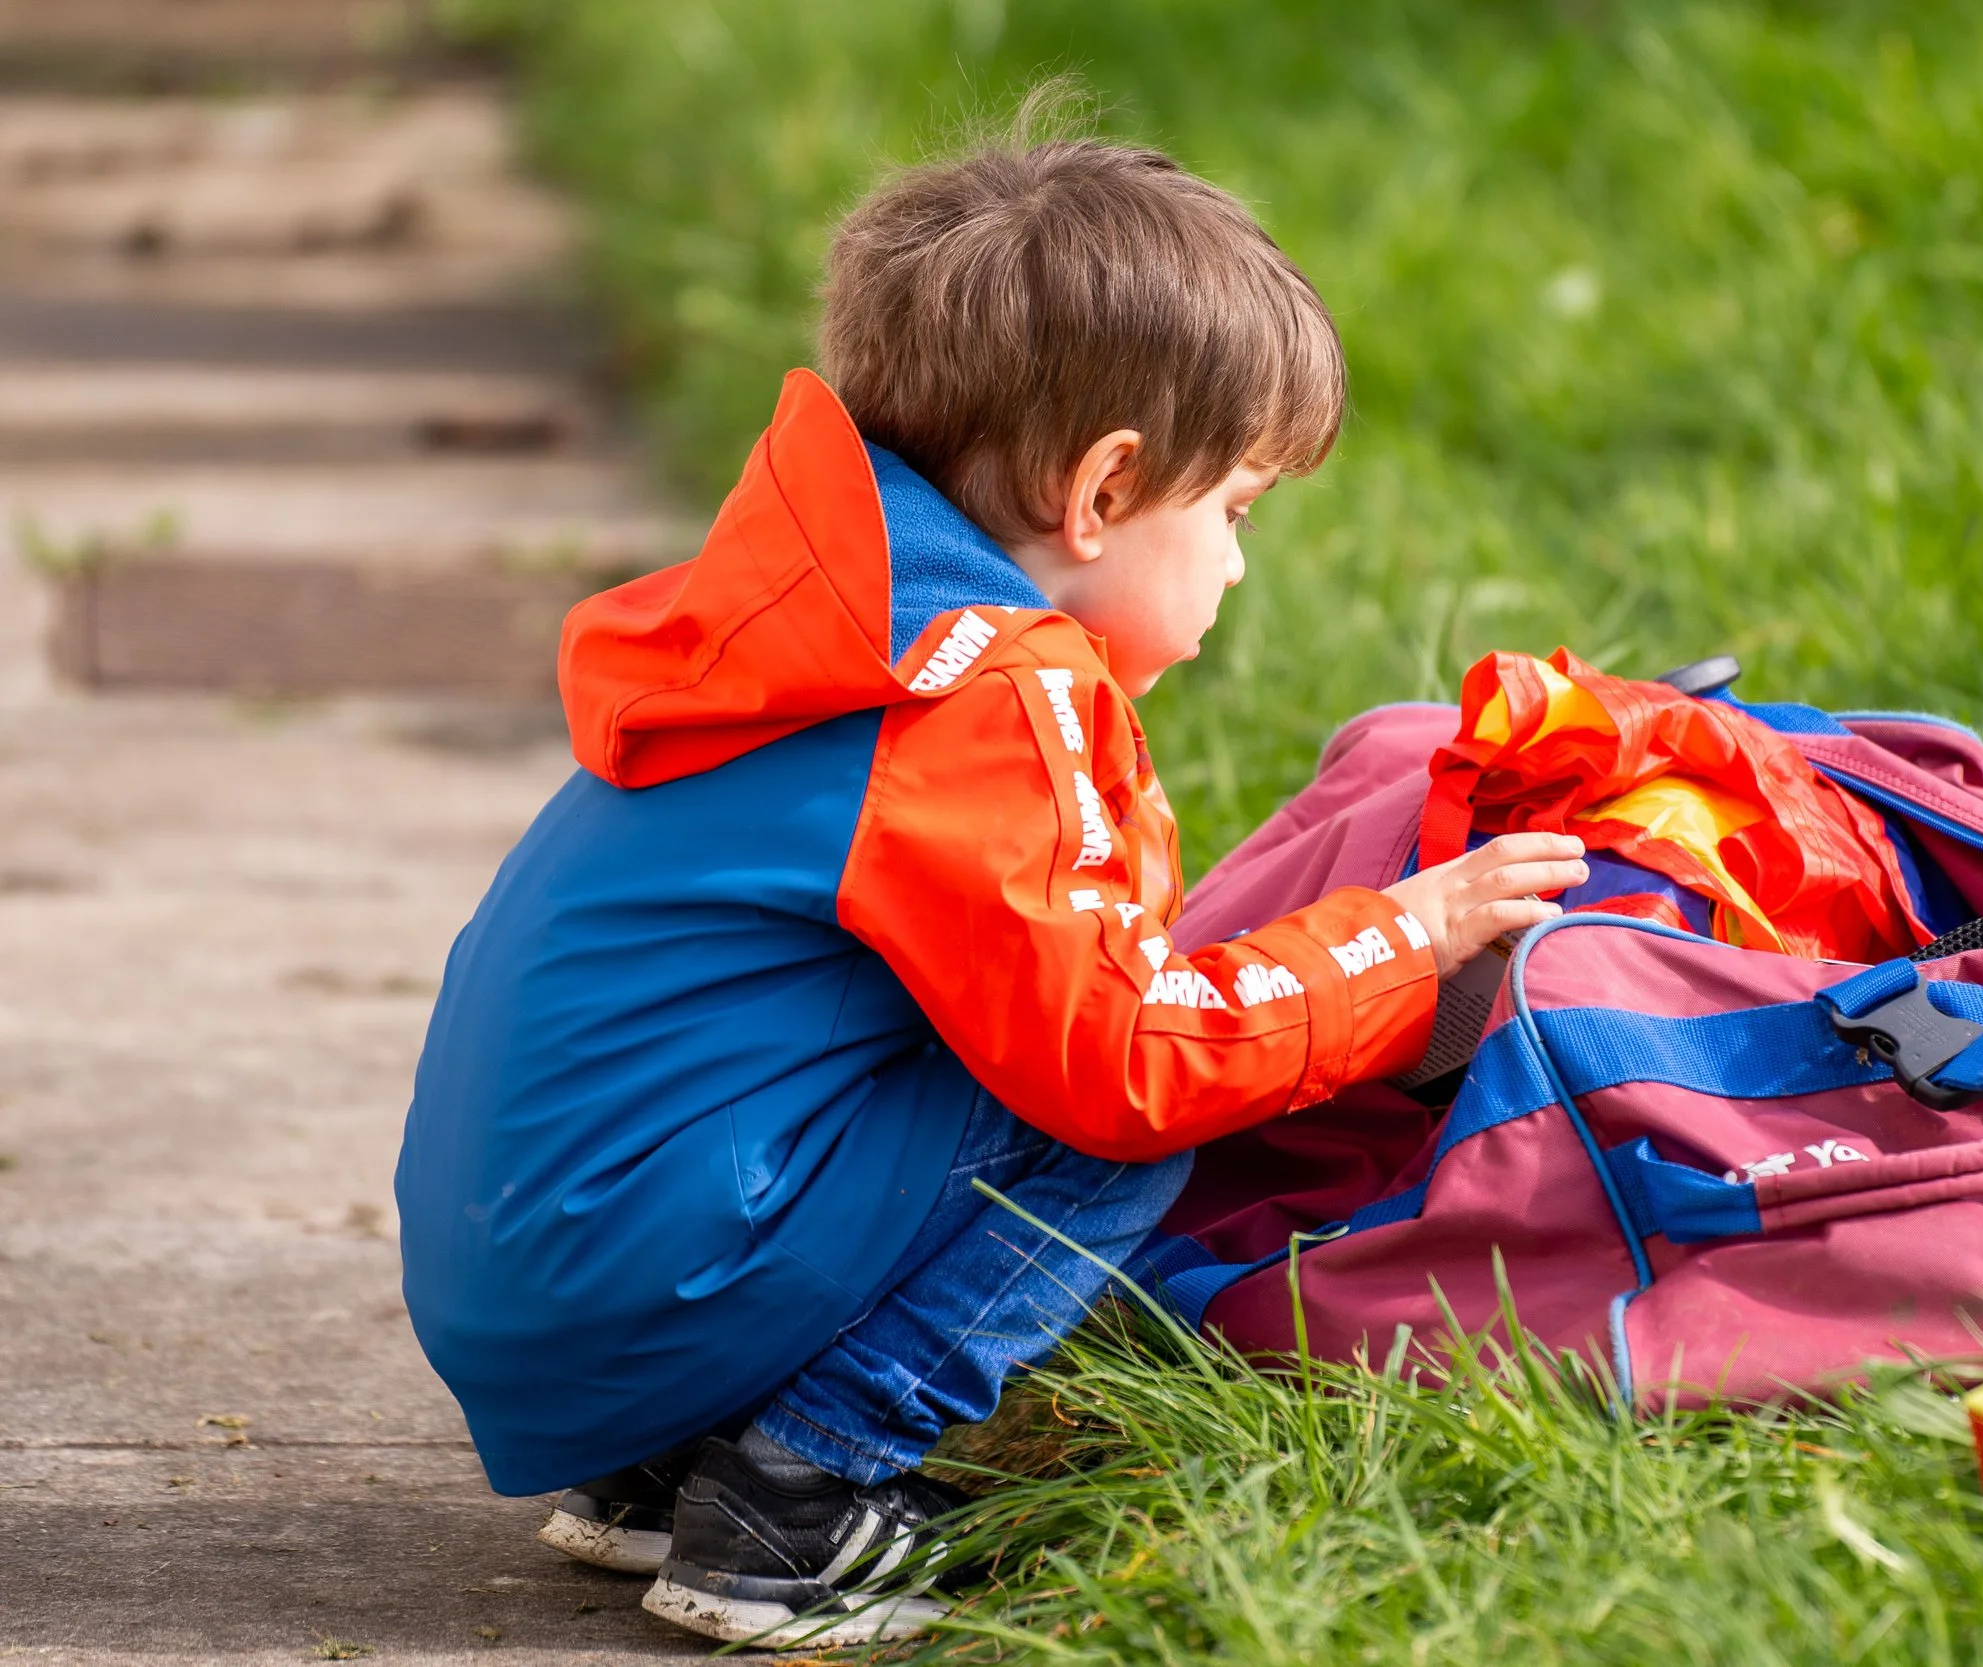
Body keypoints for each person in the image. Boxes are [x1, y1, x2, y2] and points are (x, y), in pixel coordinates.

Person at [394, 117, 1586, 1651]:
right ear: (1100, 493)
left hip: (531, 1291)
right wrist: (1399, 949)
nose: (1236, 569)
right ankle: (801, 1500)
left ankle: (661, 1474)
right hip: (648, 1276)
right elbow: (1127, 1064)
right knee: (1131, 1102)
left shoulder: (823, 620)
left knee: (957, 1035)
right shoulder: (989, 697)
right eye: (1231, 515)